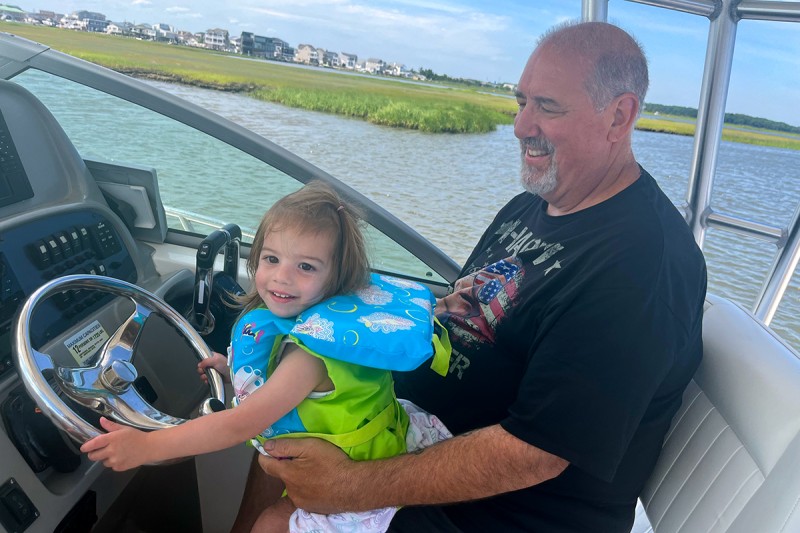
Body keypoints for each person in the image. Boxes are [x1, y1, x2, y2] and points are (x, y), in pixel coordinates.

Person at [238, 20, 708, 533]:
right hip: (421, 432)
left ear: (619, 116)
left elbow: (537, 453)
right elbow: (468, 314)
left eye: (547, 106)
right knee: (280, 424)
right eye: (521, 101)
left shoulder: (641, 267)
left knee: (277, 520)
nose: (521, 125)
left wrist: (351, 484)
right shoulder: (530, 207)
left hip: (505, 512)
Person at [80, 181, 451, 532]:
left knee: (269, 525)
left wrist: (146, 447)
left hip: (353, 473)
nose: (282, 277)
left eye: (306, 266)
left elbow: (238, 425)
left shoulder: (310, 356)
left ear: (338, 278)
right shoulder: (308, 325)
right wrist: (232, 371)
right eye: (272, 259)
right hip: (369, 441)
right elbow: (292, 389)